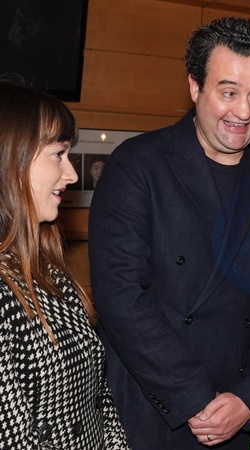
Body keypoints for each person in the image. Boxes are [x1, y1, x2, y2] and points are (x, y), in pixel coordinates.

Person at [88, 17, 250, 450]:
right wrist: (194, 397)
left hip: (233, 413)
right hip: (152, 411)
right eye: (228, 92)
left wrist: (249, 397)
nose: (244, 111)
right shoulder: (138, 165)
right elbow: (121, 297)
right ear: (194, 86)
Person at [0, 78, 129, 448]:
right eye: (58, 154)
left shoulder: (50, 272)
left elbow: (98, 398)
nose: (72, 174)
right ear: (12, 158)